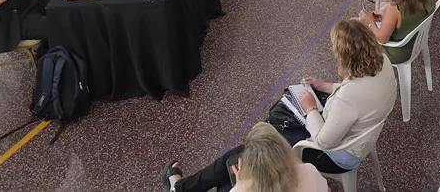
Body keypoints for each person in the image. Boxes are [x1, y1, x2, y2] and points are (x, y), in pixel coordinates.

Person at [279, 20, 397, 175]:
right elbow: (361, 92)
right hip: (364, 138)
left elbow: (324, 142)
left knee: (277, 133)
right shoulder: (384, 61)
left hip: (338, 157)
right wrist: (323, 86)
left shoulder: (348, 99)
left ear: (344, 56)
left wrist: (311, 108)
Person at [164, 121, 328, 192]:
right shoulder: (309, 171)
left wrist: (240, 184)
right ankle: (181, 188)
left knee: (232, 162)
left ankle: (179, 188)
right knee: (234, 158)